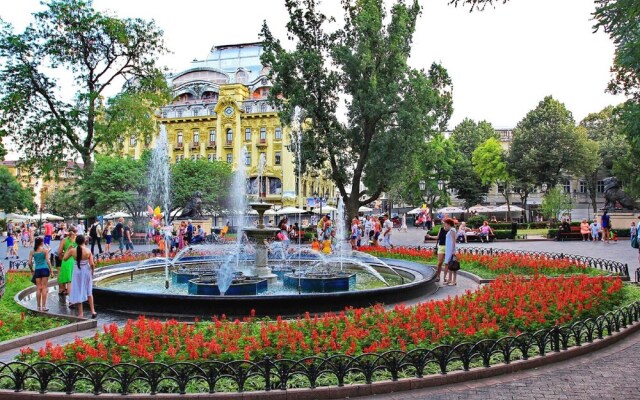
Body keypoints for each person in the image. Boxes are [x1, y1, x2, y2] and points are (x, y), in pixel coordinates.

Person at [63, 235, 96, 319]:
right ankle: (93, 311)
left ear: (76, 242)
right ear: (84, 241)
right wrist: (92, 271)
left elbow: (65, 258)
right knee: (89, 290)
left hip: (77, 272)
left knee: (78, 290)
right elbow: (92, 263)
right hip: (86, 271)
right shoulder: (88, 250)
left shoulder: (72, 251)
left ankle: (81, 313)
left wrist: (68, 249)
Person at [29, 237, 53, 311]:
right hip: (45, 269)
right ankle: (44, 306)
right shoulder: (44, 250)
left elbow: (29, 263)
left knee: (39, 288)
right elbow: (48, 261)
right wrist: (51, 271)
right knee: (44, 288)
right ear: (41, 242)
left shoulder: (32, 252)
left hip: (37, 270)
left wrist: (32, 270)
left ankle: (38, 306)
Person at [57, 228, 77, 299]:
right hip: (75, 261)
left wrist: (61, 256)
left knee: (68, 279)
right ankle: (73, 299)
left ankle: (64, 292)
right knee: (72, 280)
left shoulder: (64, 240)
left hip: (66, 260)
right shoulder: (77, 240)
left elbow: (58, 252)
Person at [442, 218, 457, 286]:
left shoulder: (452, 230)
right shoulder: (450, 230)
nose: (444, 225)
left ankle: (454, 281)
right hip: (449, 250)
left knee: (453, 265)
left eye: (445, 223)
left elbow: (454, 240)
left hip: (451, 250)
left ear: (448, 224)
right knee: (449, 265)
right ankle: (450, 279)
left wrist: (453, 251)